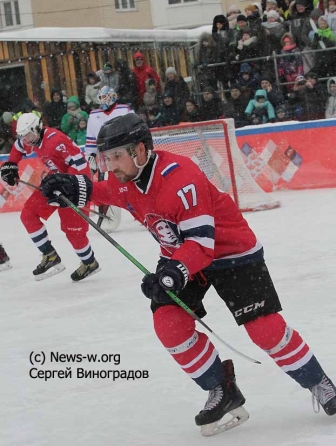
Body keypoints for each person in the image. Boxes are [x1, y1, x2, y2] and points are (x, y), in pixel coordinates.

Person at [40, 113, 336, 434]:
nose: (110, 165)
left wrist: (168, 277)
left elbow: (200, 245)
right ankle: (222, 389)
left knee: (264, 329)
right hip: (180, 258)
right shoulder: (127, 179)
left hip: (230, 252)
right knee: (168, 323)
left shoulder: (180, 178)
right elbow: (108, 192)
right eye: (105, 157)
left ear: (140, 151)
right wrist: (71, 185)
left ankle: (318, 381)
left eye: (116, 157)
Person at [0, 113, 100, 282]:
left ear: (38, 128)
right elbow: (18, 147)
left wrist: (70, 186)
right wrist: (11, 164)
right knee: (28, 215)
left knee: (73, 231)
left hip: (75, 187)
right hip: (53, 183)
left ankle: (89, 263)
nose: (26, 140)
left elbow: (81, 165)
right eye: (24, 136)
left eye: (29, 135)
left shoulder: (56, 141)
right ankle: (50, 255)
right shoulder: (32, 139)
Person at [85, 86, 134, 232]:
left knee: (134, 184)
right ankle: (106, 219)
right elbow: (91, 141)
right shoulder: (94, 115)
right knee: (107, 186)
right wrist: (90, 157)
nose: (104, 101)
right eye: (102, 98)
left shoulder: (125, 110)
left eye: (106, 98)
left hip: (125, 154)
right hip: (105, 158)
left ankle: (146, 211)